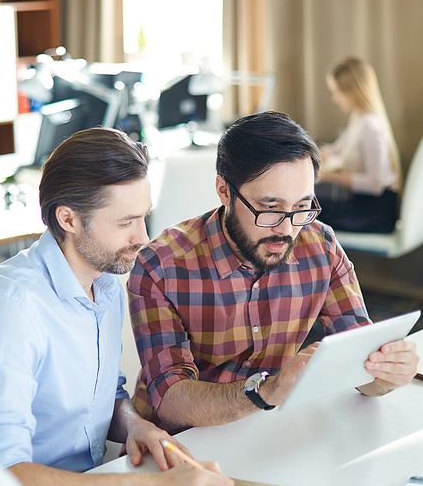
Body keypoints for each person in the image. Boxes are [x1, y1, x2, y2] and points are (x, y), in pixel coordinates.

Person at [0, 127, 234, 486]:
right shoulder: (9, 312)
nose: (143, 237)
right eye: (126, 222)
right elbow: (1, 480)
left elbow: (102, 394)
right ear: (69, 219)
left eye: (143, 217)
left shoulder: (105, 285)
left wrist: (135, 426)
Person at [128, 112, 418, 432]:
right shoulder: (161, 266)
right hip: (179, 441)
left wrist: (387, 374)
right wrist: (265, 391)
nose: (286, 229)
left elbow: (362, 365)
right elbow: (169, 401)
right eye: (270, 208)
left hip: (266, 428)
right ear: (224, 191)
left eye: (301, 207)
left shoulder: (320, 244)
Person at [316, 56, 402, 233]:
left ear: (353, 91)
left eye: (337, 91)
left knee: (308, 212)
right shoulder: (358, 118)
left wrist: (326, 176)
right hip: (365, 206)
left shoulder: (370, 126)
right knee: (307, 208)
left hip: (377, 212)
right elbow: (336, 150)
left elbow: (375, 184)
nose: (334, 98)